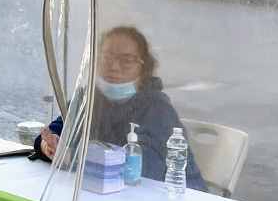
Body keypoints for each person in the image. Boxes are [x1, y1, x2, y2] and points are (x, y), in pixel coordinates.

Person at [35, 25, 203, 190]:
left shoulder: (157, 108)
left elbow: (140, 168)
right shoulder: (88, 97)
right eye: (107, 57)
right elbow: (56, 130)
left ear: (143, 68)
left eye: (127, 60)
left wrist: (72, 157)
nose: (114, 67)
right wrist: (49, 146)